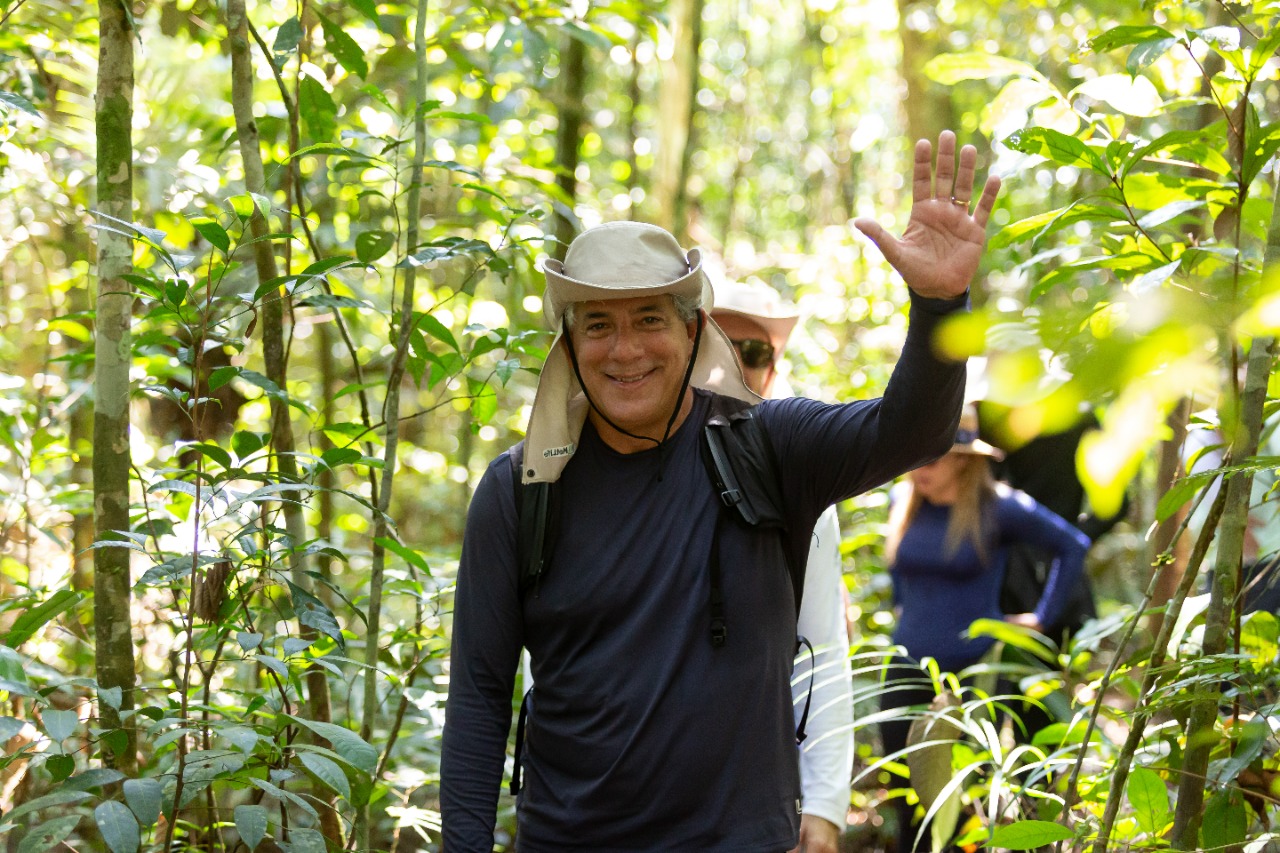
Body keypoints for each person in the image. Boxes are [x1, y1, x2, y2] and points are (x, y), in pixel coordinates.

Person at [441, 130, 1001, 852]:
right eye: (599, 326)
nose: (626, 349)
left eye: (650, 318)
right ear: (568, 345)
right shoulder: (520, 490)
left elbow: (911, 434)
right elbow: (481, 693)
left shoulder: (765, 446)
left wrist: (938, 306)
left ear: (694, 329)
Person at [877, 405, 1091, 851]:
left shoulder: (999, 508)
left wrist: (1039, 619)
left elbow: (1072, 546)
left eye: (931, 460)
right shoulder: (903, 504)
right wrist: (905, 609)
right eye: (913, 459)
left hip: (972, 674)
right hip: (905, 664)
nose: (920, 471)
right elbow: (902, 576)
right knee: (904, 791)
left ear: (963, 459)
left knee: (960, 802)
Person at [711, 278, 854, 853]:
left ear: (775, 366)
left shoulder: (797, 476)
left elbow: (822, 643)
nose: (737, 366)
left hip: (756, 795)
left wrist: (822, 805)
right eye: (722, 343)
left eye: (756, 352)